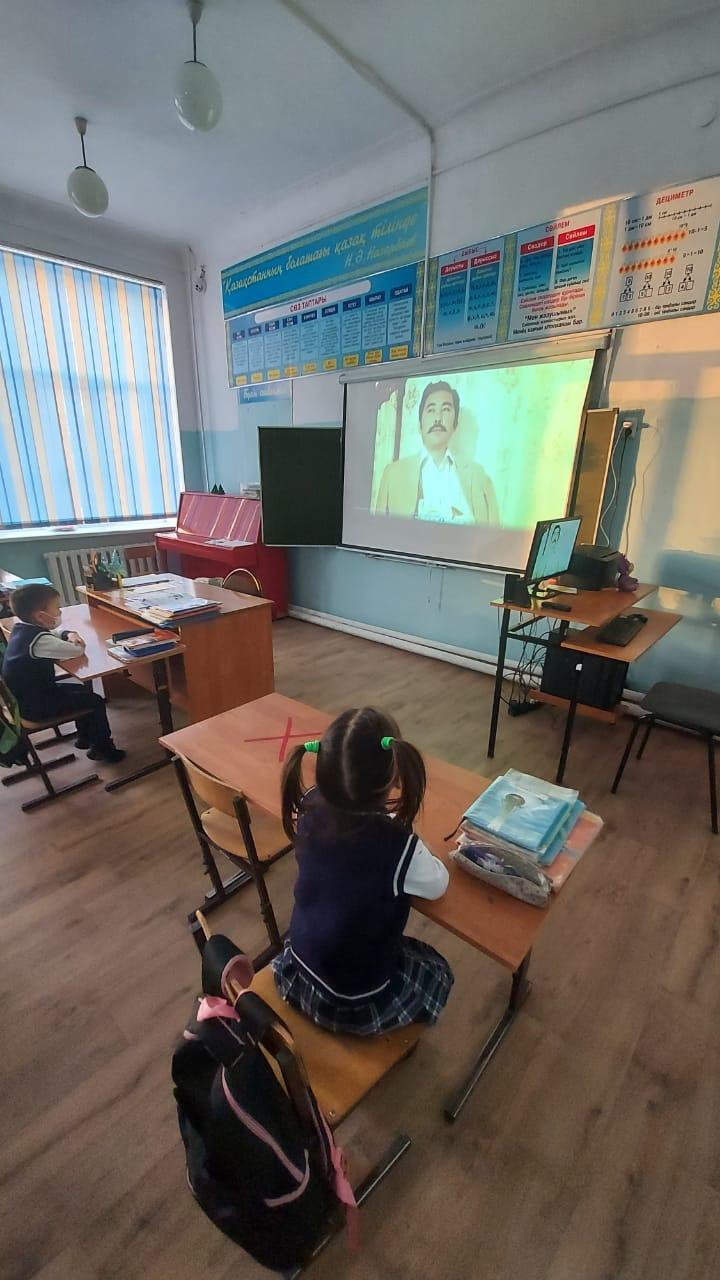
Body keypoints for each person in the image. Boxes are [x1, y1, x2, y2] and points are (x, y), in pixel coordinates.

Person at [272, 707, 454, 1035]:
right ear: (394, 777)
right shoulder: (398, 844)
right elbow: (439, 883)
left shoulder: (308, 805)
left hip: (299, 967)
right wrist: (413, 839)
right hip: (355, 999)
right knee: (437, 967)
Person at [1, 584, 125, 762]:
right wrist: (76, 640)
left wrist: (69, 633)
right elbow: (76, 651)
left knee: (83, 692)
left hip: (23, 699)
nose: (60, 612)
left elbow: (54, 633)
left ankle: (85, 738)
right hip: (35, 707)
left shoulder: (21, 629)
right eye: (57, 608)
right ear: (40, 616)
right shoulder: (40, 641)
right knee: (95, 701)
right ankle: (102, 748)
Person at [374, 380, 499, 524]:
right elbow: (377, 531)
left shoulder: (479, 477)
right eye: (431, 410)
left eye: (446, 409)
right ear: (419, 425)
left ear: (455, 424)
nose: (438, 418)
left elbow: (493, 534)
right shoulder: (392, 473)